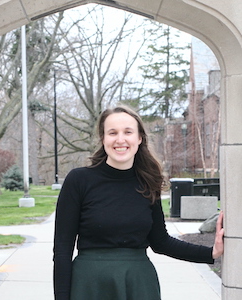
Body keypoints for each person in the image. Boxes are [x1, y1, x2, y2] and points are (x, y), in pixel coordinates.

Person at [53, 105, 224, 300]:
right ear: (103, 139)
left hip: (138, 284)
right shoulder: (79, 180)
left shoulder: (148, 182)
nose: (120, 139)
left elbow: (161, 242)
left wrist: (211, 253)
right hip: (89, 284)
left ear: (139, 138)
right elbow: (62, 250)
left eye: (128, 132)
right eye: (112, 133)